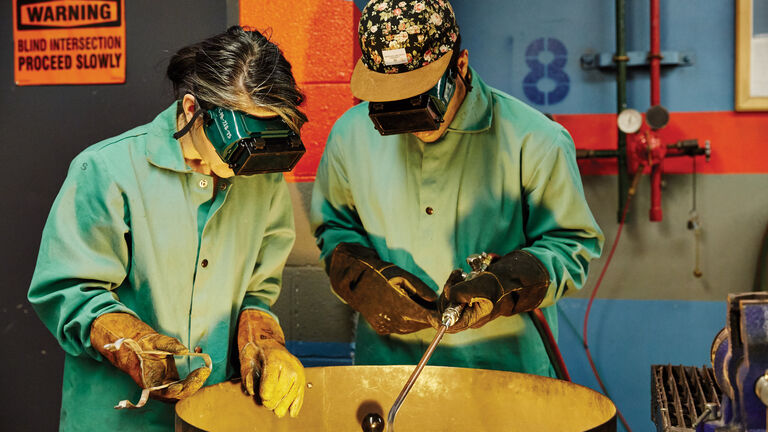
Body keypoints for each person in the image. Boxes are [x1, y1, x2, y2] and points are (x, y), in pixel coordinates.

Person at [28, 26, 306, 431]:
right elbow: (67, 291)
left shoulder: (262, 180)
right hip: (118, 417)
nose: (250, 166)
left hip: (215, 412)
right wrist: (134, 346)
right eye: (241, 146)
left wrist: (264, 341)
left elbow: (258, 291)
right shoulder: (108, 170)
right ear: (192, 110)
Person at [310, 0, 604, 375]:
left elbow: (571, 245)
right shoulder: (351, 135)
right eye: (390, 103)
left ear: (459, 65)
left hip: (504, 371)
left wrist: (506, 284)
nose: (410, 119)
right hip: (387, 368)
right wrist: (367, 279)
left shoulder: (535, 140)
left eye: (419, 98)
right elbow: (333, 229)